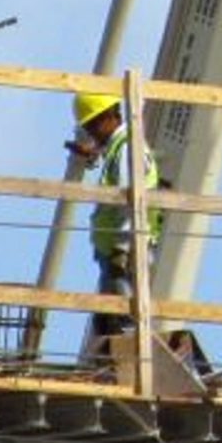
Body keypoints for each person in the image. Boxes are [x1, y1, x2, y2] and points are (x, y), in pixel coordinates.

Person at [70, 85, 161, 350]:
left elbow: (129, 201)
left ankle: (136, 359)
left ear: (109, 117)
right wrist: (93, 155)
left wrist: (122, 248)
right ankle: (118, 362)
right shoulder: (119, 147)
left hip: (125, 249)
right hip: (117, 250)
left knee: (124, 317)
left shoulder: (128, 148)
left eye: (92, 126)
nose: (91, 133)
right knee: (109, 317)